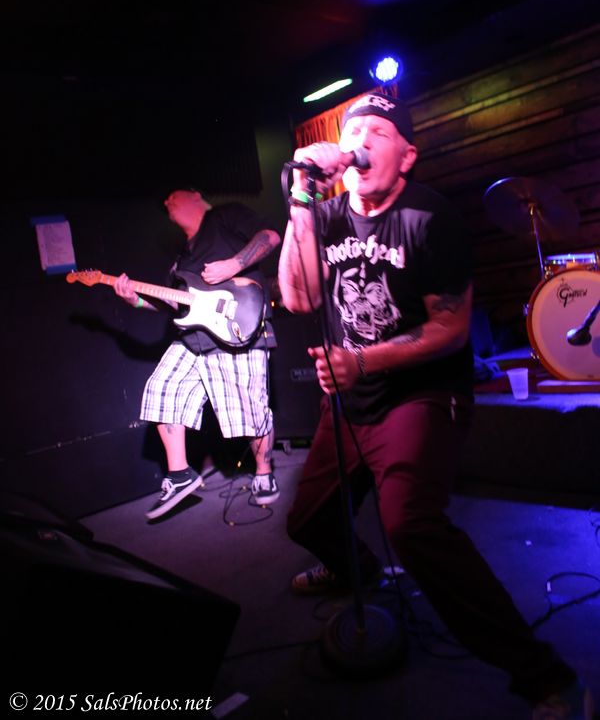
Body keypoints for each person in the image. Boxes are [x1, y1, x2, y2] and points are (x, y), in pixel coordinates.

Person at [277, 93, 593, 720]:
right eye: (352, 131)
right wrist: (301, 201)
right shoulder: (326, 213)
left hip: (421, 394)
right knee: (307, 521)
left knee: (410, 525)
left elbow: (449, 329)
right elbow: (299, 297)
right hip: (351, 401)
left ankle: (547, 678)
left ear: (406, 155)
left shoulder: (430, 216)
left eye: (376, 131)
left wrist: (361, 360)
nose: (359, 141)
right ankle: (363, 573)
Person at [114, 188, 281, 519]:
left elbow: (270, 236)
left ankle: (264, 472)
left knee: (251, 411)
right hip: (193, 339)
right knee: (162, 389)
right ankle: (179, 474)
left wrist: (233, 265)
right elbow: (172, 304)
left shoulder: (225, 216)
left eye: (172, 196)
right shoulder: (181, 260)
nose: (166, 202)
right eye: (165, 201)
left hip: (238, 328)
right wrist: (135, 299)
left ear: (195, 195)